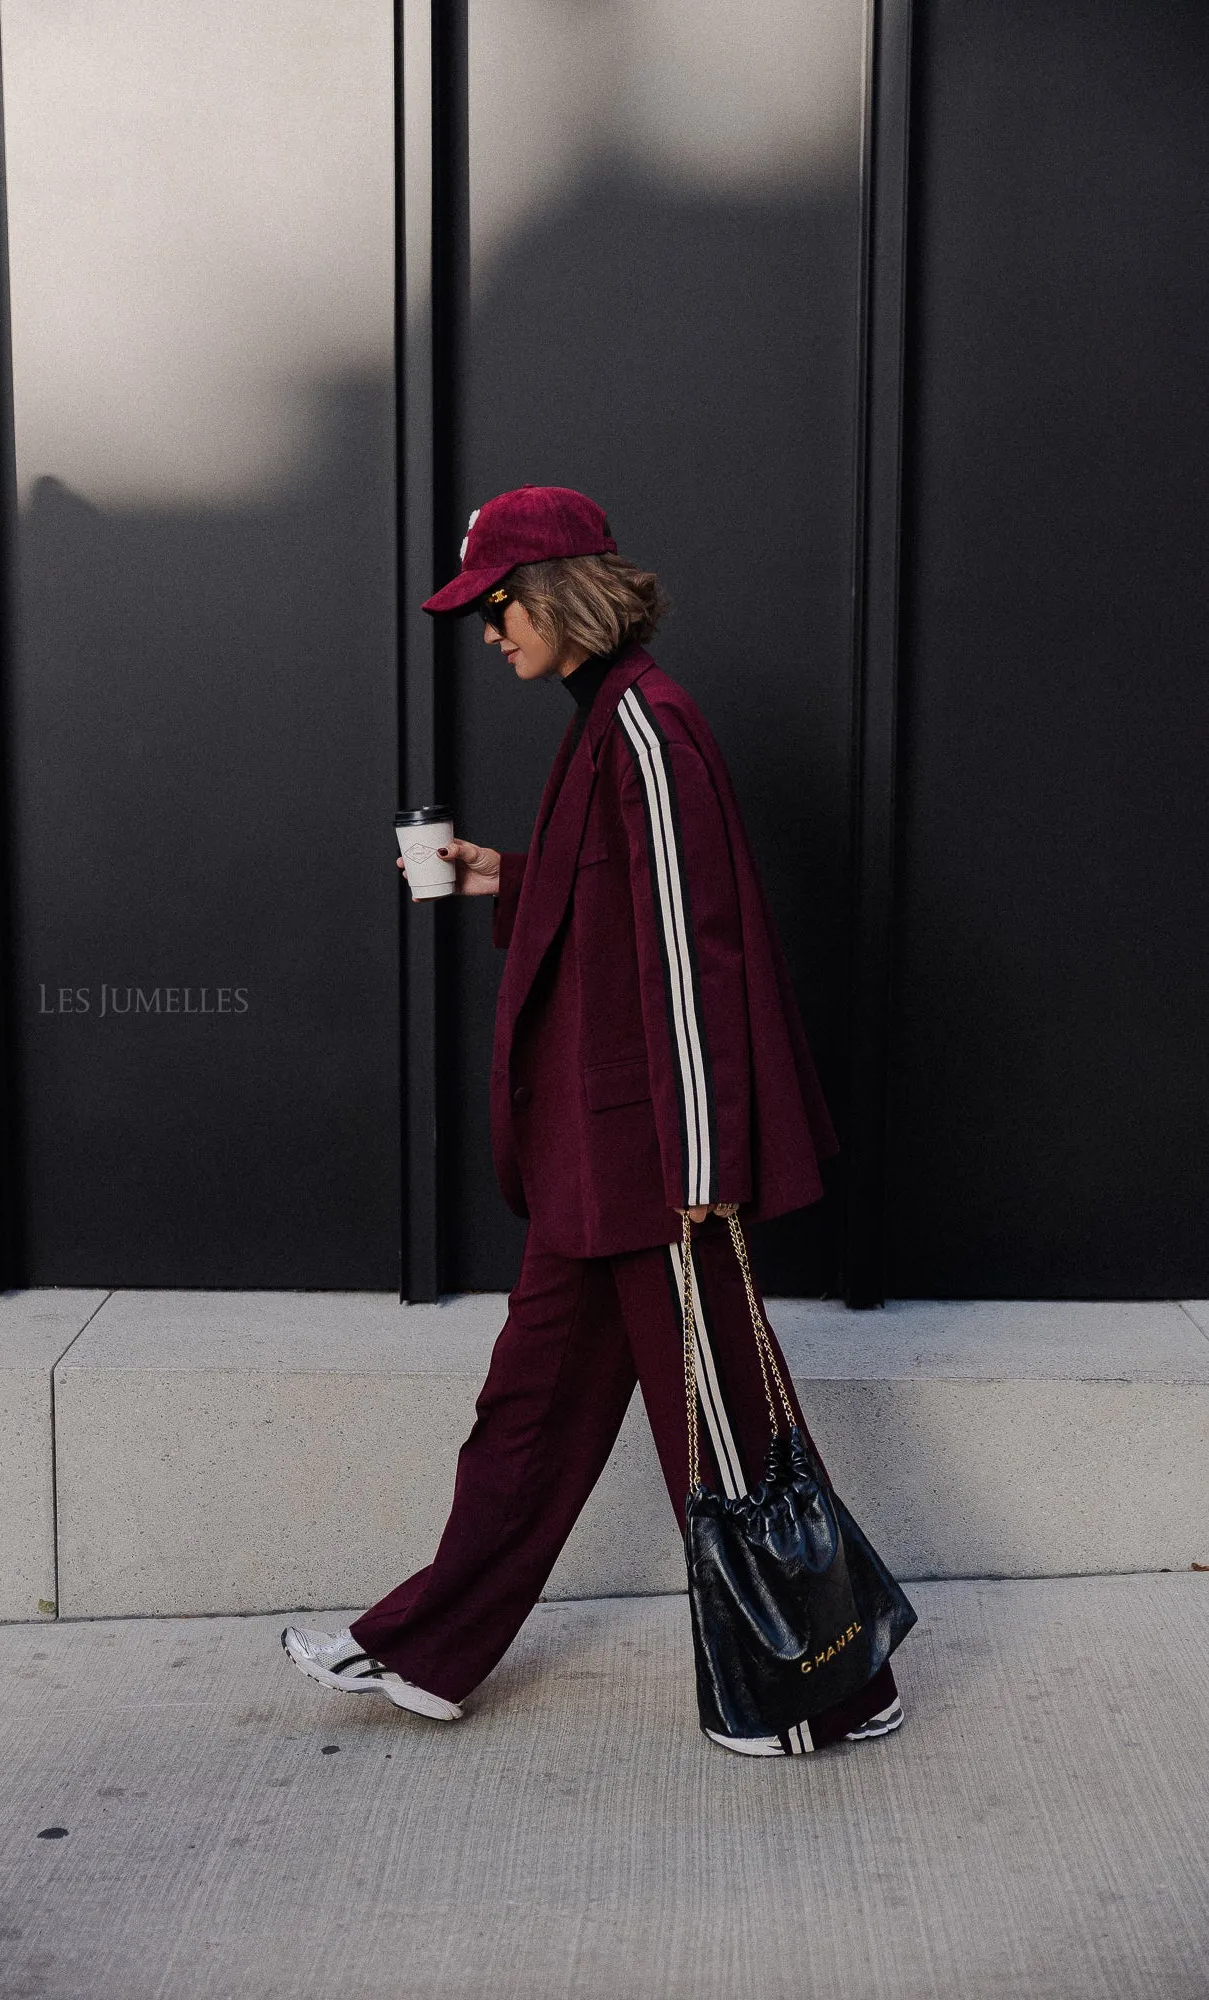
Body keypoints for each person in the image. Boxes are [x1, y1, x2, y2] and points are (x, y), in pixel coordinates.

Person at [283, 486, 903, 1756]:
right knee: (527, 1411)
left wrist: (707, 1162)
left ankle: (831, 1695)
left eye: (495, 607)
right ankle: (426, 1648)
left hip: (655, 1158)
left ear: (556, 592)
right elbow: (618, 897)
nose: (488, 633)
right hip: (594, 1152)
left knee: (728, 1434)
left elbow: (696, 951)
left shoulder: (649, 728)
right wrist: (496, 872)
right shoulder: (607, 720)